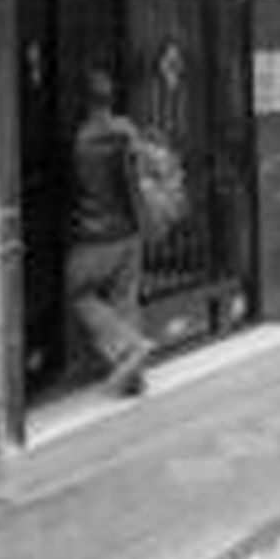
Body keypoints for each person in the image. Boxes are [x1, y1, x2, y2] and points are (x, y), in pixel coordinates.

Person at [66, 67, 154, 397]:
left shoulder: (80, 139)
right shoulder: (126, 129)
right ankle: (133, 381)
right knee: (125, 300)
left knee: (77, 292)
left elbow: (76, 187)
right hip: (130, 230)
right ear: (109, 98)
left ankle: (128, 347)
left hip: (95, 235)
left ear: (82, 100)